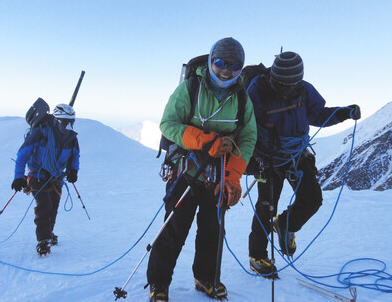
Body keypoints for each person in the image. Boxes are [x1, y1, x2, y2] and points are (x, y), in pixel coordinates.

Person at [146, 37, 256, 301]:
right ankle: (158, 284)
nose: (226, 70)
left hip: (219, 176)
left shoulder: (241, 98)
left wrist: (232, 178)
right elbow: (168, 124)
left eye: (234, 65)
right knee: (174, 229)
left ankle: (206, 278)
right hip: (185, 171)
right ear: (210, 61)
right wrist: (206, 141)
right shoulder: (190, 88)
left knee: (213, 230)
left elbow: (248, 137)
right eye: (220, 62)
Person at [246, 51, 361, 277]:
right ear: (274, 77)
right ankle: (257, 256)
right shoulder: (257, 91)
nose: (287, 89)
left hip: (296, 155)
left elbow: (318, 116)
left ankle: (286, 224)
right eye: (282, 84)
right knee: (266, 207)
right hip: (267, 159)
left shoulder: (304, 89)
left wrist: (345, 113)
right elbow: (246, 128)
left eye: (292, 84)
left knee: (312, 199)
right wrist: (251, 161)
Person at [11, 104, 80, 255]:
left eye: (70, 122)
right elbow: (22, 155)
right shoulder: (40, 133)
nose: (67, 126)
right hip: (37, 176)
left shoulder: (71, 139)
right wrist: (18, 178)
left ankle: (48, 233)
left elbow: (75, 157)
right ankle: (43, 240)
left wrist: (73, 170)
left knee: (53, 207)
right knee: (45, 206)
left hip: (56, 178)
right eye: (64, 122)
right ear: (56, 120)